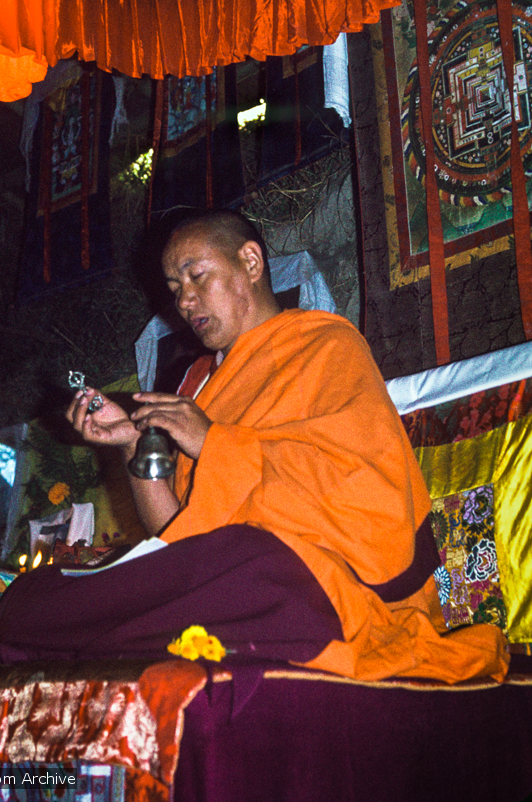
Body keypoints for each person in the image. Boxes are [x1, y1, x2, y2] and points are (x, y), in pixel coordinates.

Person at [64, 209, 508, 683]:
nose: (185, 300)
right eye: (175, 289)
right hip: (224, 582)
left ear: (251, 263)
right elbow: (177, 538)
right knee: (40, 601)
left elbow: (371, 497)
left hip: (315, 584)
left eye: (196, 276)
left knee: (259, 567)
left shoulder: (328, 346)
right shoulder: (196, 383)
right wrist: (135, 447)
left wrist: (214, 442)